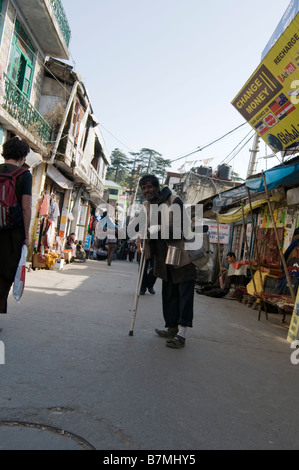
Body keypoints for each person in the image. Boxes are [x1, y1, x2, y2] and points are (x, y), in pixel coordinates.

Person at [137, 174, 197, 349]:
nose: (147, 191)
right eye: (144, 188)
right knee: (169, 294)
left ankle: (182, 334)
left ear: (156, 187)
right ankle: (171, 327)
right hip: (163, 258)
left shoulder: (174, 201)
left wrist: (159, 229)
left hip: (182, 256)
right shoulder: (147, 206)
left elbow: (181, 230)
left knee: (184, 296)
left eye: (149, 187)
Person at [0, 136, 32, 317]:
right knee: (4, 277)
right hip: (12, 236)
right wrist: (26, 236)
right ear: (23, 157)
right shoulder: (24, 175)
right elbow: (26, 207)